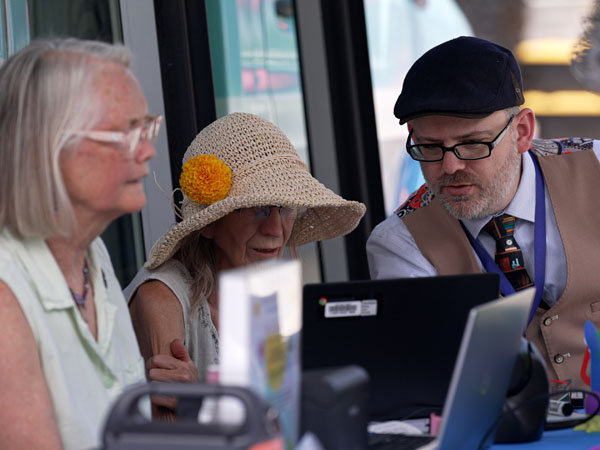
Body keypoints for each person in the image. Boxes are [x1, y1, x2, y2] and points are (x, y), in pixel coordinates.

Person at [367, 36, 600, 389]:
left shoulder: (595, 169)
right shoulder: (401, 242)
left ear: (522, 132)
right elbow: (420, 375)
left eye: (473, 143)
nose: (450, 166)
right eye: (430, 147)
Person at [125, 112, 366, 416]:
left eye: (286, 208)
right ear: (209, 225)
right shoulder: (162, 297)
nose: (276, 230)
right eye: (258, 209)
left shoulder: (266, 297)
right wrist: (197, 402)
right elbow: (168, 428)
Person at [0, 38, 160, 449]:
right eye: (127, 133)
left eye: (147, 127)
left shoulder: (92, 254)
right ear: (48, 147)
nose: (148, 150)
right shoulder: (5, 288)